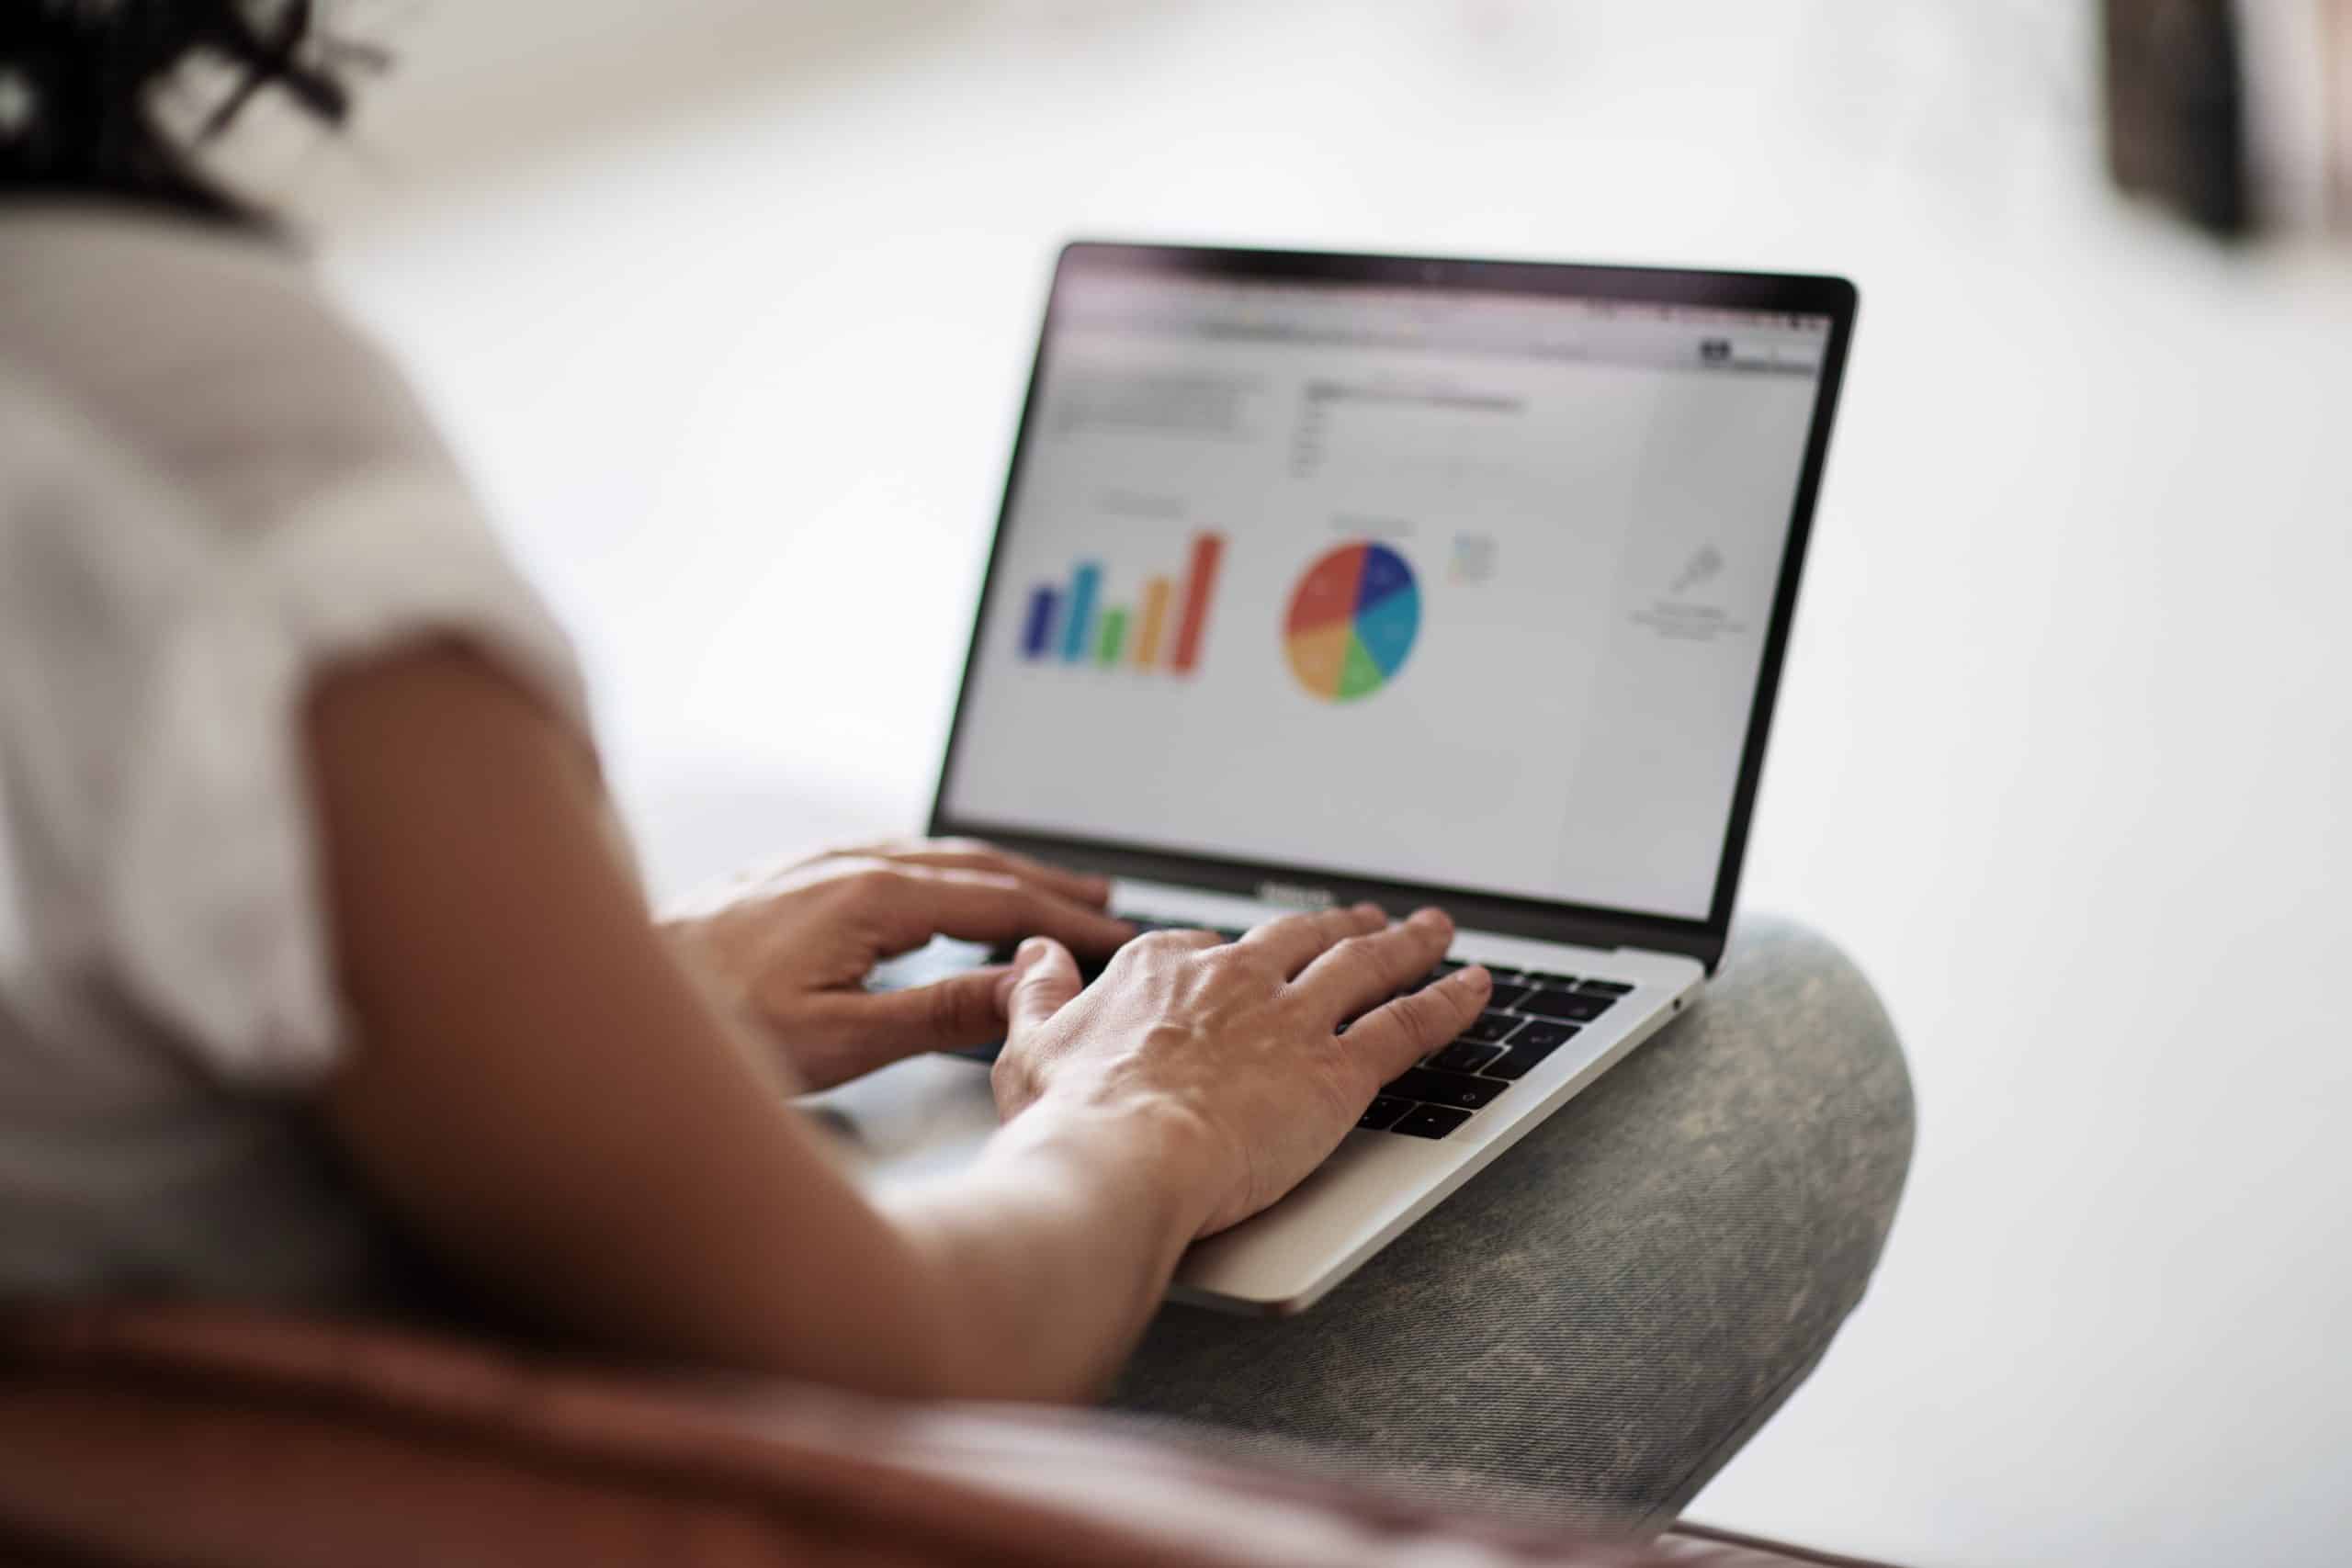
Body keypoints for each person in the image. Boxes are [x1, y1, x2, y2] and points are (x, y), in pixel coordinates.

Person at [0, 4, 1913, 1529]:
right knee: (1779, 1014)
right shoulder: (166, 408)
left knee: (807, 858)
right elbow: (877, 1370)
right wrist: (1149, 1121)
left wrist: (616, 1004)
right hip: (565, 1471)